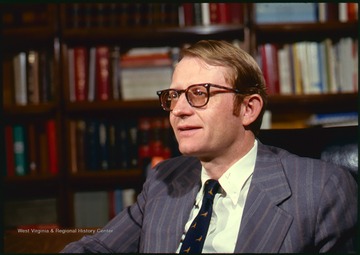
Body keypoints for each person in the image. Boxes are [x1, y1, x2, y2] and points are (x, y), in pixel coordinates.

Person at [61, 40, 357, 253]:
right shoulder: (164, 179)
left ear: (248, 109)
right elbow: (95, 247)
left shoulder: (321, 189)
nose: (178, 110)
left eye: (199, 93)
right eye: (173, 96)